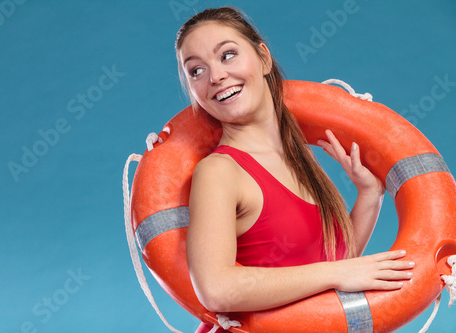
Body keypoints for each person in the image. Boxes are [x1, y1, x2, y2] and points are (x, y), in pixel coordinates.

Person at [175, 7, 414, 333]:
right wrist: (337, 274)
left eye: (227, 55)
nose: (215, 76)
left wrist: (370, 195)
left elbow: (329, 265)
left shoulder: (299, 159)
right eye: (196, 71)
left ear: (264, 58)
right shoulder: (218, 172)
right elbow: (216, 288)